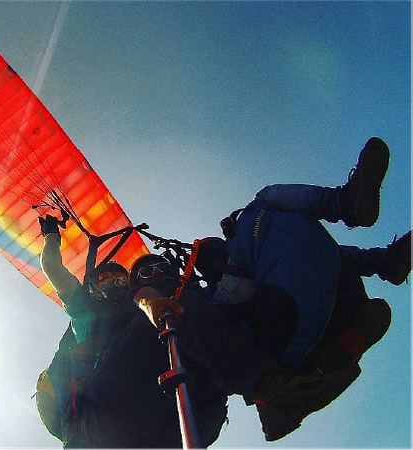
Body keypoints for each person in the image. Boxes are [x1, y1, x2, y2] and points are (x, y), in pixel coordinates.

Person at [132, 137, 412, 441]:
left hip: (308, 306)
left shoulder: (243, 262)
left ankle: (376, 262)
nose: (155, 273)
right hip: (282, 335)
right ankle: (354, 220)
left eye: (158, 266)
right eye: (145, 272)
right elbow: (212, 332)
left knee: (303, 244)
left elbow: (306, 253)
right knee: (266, 205)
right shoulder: (194, 298)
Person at [36, 216, 229, 448]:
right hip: (108, 412)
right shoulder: (88, 311)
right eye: (102, 278)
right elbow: (52, 267)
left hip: (170, 406)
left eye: (116, 275)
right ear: (95, 288)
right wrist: (50, 234)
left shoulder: (157, 297)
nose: (109, 279)